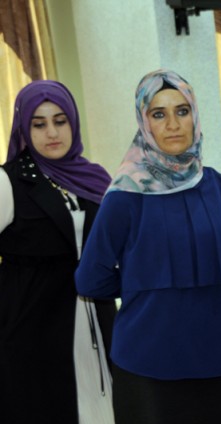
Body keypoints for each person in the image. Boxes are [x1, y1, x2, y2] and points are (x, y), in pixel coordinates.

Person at [74, 69, 221, 424]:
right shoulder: (125, 196)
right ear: (145, 123)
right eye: (159, 114)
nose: (173, 124)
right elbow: (89, 279)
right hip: (147, 368)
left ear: (195, 116)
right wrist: (140, 283)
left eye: (182, 111)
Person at [0, 80, 115, 423]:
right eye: (39, 124)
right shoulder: (9, 182)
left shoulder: (94, 179)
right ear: (24, 128)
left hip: (98, 319)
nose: (52, 132)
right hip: (34, 327)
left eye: (60, 121)